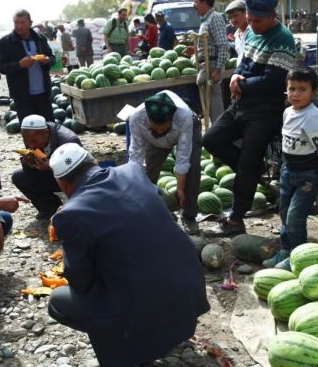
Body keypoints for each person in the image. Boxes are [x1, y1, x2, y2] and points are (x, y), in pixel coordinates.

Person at [47, 144, 210, 366]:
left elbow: (80, 280)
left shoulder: (72, 214)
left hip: (144, 311)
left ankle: (132, 347)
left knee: (57, 301)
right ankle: (163, 332)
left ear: (62, 183)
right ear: (93, 161)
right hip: (189, 296)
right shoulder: (133, 171)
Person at [202, 0, 298, 237]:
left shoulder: (283, 40)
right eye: (250, 19)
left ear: (272, 16)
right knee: (212, 139)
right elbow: (245, 62)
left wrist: (241, 84)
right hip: (242, 104)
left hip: (265, 110)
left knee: (246, 164)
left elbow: (273, 81)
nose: (253, 26)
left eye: (258, 21)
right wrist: (236, 74)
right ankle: (252, 171)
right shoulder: (253, 31)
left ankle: (236, 219)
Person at [262, 68, 318, 270]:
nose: (295, 94)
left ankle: (299, 257)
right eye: (292, 89)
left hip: (307, 177)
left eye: (302, 89)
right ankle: (286, 250)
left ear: (314, 92)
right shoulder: (288, 112)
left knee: (295, 217)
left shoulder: (313, 117)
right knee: (284, 213)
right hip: (287, 171)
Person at [129, 91, 201, 234]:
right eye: (156, 128)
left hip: (188, 128)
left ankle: (189, 216)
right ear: (147, 118)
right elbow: (136, 157)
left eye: (164, 128)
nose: (161, 131)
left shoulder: (184, 117)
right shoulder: (137, 119)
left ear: (172, 118)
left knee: (192, 171)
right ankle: (149, 211)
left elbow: (183, 157)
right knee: (147, 174)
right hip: (152, 141)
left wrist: (180, 189)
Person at [11, 114, 81, 224]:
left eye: (33, 141)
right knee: (18, 177)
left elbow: (77, 172)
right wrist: (28, 163)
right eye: (27, 141)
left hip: (71, 178)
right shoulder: (32, 137)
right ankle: (50, 208)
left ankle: (76, 210)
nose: (30, 145)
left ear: (46, 133)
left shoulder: (69, 141)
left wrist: (51, 167)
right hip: (49, 174)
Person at [0, 9, 56, 122]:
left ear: (30, 23)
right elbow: (1, 67)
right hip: (22, 96)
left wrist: (48, 60)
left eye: (22, 23)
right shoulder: (5, 42)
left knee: (48, 127)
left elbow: (52, 58)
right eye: (16, 22)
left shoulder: (40, 39)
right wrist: (19, 64)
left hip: (43, 94)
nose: (19, 26)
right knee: (29, 130)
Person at [185, 0, 230, 122]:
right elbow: (209, 44)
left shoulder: (214, 18)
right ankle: (215, 129)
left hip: (212, 66)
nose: (194, 5)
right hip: (206, 65)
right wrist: (195, 49)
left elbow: (222, 45)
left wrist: (218, 69)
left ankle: (219, 130)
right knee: (209, 101)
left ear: (205, 3)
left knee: (214, 100)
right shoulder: (205, 20)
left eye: (196, 2)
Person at [222, 0, 255, 109]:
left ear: (246, 13)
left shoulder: (253, 32)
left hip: (249, 78)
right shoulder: (237, 35)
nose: (233, 20)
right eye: (230, 18)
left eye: (235, 16)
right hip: (239, 77)